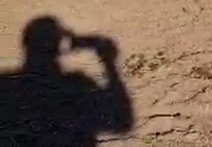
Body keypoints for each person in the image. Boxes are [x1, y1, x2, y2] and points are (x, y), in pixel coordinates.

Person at [0, 16, 133, 146]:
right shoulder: (76, 84)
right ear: (60, 47)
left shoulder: (5, 85)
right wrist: (109, 62)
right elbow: (122, 122)